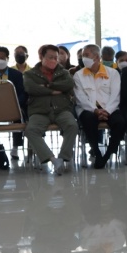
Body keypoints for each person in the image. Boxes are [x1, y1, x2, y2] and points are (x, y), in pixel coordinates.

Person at [23, 44, 78, 175]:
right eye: (50, 57)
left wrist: (48, 85)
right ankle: (53, 160)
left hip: (62, 109)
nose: (53, 60)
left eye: (55, 57)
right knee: (31, 130)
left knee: (72, 125)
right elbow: (31, 88)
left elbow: (69, 85)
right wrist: (53, 91)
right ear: (41, 57)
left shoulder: (64, 72)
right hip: (39, 111)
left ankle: (62, 158)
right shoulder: (30, 74)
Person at [74, 44, 124, 169]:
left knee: (120, 122)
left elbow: (115, 95)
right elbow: (80, 98)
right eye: (82, 56)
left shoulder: (113, 73)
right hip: (88, 109)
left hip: (110, 108)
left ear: (96, 57)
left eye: (86, 55)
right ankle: (96, 152)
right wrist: (95, 110)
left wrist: (107, 111)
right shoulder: (78, 75)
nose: (83, 58)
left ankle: (108, 154)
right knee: (88, 120)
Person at [0, 46, 27, 159]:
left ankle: (15, 148)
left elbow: (22, 93)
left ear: (7, 58)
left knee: (19, 117)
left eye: (2, 58)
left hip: (13, 106)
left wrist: (16, 104)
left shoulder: (17, 75)